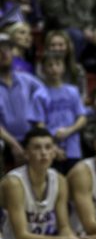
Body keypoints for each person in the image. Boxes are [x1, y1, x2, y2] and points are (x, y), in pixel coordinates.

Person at [1, 125, 93, 239]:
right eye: (37, 148)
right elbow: (21, 235)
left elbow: (64, 226)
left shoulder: (59, 180)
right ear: (26, 153)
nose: (43, 153)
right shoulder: (14, 183)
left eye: (48, 147)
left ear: (54, 152)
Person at [0, 32, 47, 165]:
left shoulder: (28, 80)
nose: (4, 53)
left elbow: (44, 99)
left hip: (30, 139)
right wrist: (14, 144)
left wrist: (39, 132)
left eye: (7, 49)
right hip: (5, 142)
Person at [38, 52, 86, 167]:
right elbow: (39, 124)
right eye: (50, 65)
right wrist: (52, 146)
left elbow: (82, 118)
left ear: (64, 67)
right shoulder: (39, 94)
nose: (54, 69)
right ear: (43, 70)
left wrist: (69, 130)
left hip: (73, 147)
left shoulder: (73, 91)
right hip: (50, 149)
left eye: (58, 64)